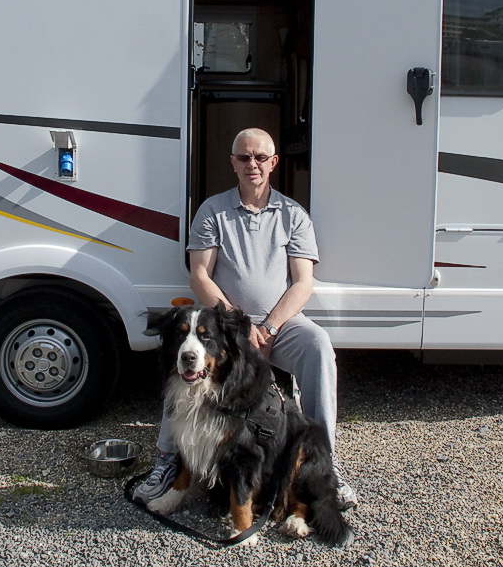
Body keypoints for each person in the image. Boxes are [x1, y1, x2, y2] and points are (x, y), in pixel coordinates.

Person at [134, 128, 357, 510]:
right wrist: (239, 323)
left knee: (318, 345)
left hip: (282, 323)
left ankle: (325, 461)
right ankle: (168, 459)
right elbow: (200, 275)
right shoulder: (212, 211)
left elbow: (304, 282)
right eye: (243, 157)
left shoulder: (294, 215)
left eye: (259, 157)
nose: (251, 164)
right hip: (225, 327)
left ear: (273, 163)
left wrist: (270, 325)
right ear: (232, 163)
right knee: (186, 371)